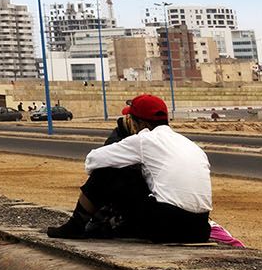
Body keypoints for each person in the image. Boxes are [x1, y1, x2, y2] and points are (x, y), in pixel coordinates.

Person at [46, 94, 212, 243]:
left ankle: (75, 227)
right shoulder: (190, 145)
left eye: (132, 120)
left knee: (108, 171)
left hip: (166, 227)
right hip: (200, 230)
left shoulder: (144, 139)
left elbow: (93, 160)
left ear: (141, 123)